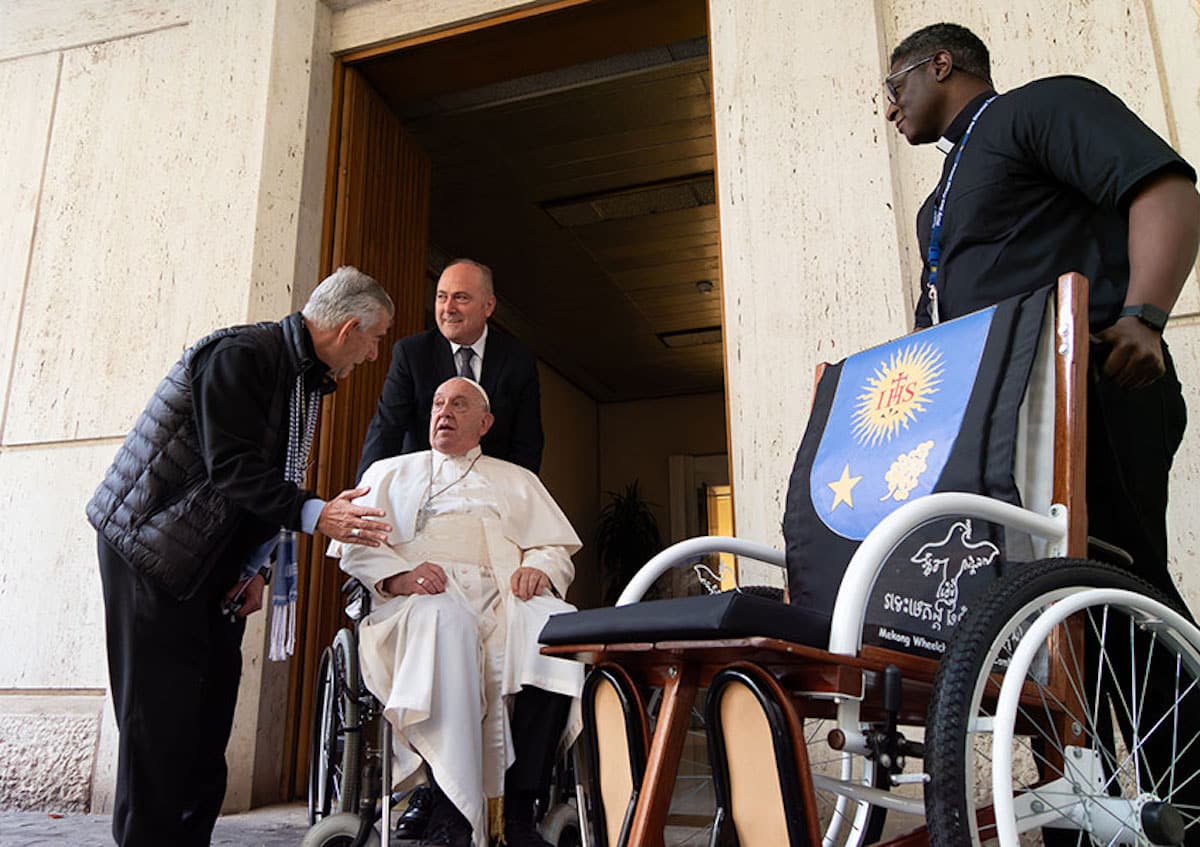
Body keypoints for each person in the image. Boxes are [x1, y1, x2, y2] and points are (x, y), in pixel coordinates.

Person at [885, 22, 1200, 840]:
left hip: (1093, 390)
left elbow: (1163, 188)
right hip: (1001, 428)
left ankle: (1193, 792)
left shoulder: (1040, 109)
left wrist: (1145, 317)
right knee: (1051, 624)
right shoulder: (936, 205)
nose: (890, 109)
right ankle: (1097, 800)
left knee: (1120, 601)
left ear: (942, 63)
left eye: (896, 86)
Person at [87, 266, 396, 847]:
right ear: (349, 327)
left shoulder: (301, 376)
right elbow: (230, 467)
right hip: (150, 553)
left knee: (207, 725)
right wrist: (318, 513)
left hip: (212, 564)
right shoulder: (240, 354)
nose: (375, 354)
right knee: (158, 727)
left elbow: (267, 481)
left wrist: (255, 567)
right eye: (375, 338)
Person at [332, 377, 582, 847]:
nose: (444, 411)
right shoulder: (389, 473)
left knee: (554, 630)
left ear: (484, 423)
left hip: (503, 592)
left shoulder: (517, 479)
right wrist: (396, 577)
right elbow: (356, 547)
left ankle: (520, 811)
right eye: (438, 403)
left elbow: (553, 547)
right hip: (419, 597)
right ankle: (451, 812)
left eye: (459, 404)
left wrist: (538, 567)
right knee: (448, 624)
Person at [357, 258, 544, 480]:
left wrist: (513, 500)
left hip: (490, 493)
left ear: (489, 306)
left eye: (461, 298)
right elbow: (386, 430)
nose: (448, 308)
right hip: (423, 489)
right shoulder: (412, 353)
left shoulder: (517, 359)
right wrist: (363, 497)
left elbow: (527, 443)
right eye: (441, 297)